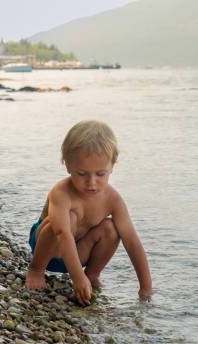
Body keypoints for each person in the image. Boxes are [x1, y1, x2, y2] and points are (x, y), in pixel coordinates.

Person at [25, 120, 152, 305]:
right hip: (49, 250)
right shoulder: (61, 192)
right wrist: (76, 278)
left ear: (112, 166)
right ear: (68, 166)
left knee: (111, 228)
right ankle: (35, 269)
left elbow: (131, 240)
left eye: (100, 174)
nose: (91, 182)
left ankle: (91, 275)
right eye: (82, 174)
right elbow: (62, 233)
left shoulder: (113, 199)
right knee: (66, 219)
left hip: (79, 251)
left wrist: (145, 287)